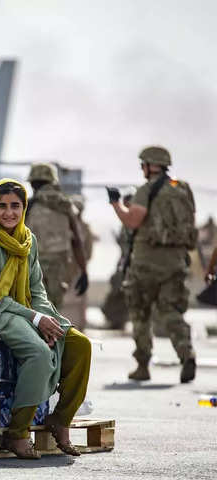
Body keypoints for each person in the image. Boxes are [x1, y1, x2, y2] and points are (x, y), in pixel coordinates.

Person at [0, 179, 91, 459]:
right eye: (2, 206)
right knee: (38, 352)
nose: (9, 213)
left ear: (24, 208)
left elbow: (37, 290)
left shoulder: (28, 239)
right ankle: (17, 432)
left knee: (78, 344)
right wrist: (37, 320)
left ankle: (60, 420)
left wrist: (49, 319)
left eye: (16, 206)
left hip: (27, 310)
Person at [107, 146, 197, 383]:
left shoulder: (146, 190)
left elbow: (133, 220)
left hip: (146, 263)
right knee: (171, 311)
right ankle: (186, 353)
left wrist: (116, 204)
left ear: (148, 166)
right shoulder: (182, 188)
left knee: (140, 313)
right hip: (176, 261)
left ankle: (143, 365)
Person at [25, 163, 88, 310]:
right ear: (53, 182)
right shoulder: (66, 205)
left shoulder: (27, 206)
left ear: (33, 184)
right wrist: (84, 271)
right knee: (53, 312)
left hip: (32, 267)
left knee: (33, 313)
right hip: (58, 267)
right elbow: (77, 241)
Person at [60, 195, 96, 331]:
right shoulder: (67, 226)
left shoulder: (84, 227)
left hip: (77, 268)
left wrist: (82, 265)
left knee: (79, 300)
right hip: (67, 268)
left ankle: (78, 328)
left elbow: (88, 250)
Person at [101, 190, 135, 330]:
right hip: (125, 262)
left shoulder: (135, 221)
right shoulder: (126, 222)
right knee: (116, 290)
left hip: (132, 264)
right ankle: (116, 320)